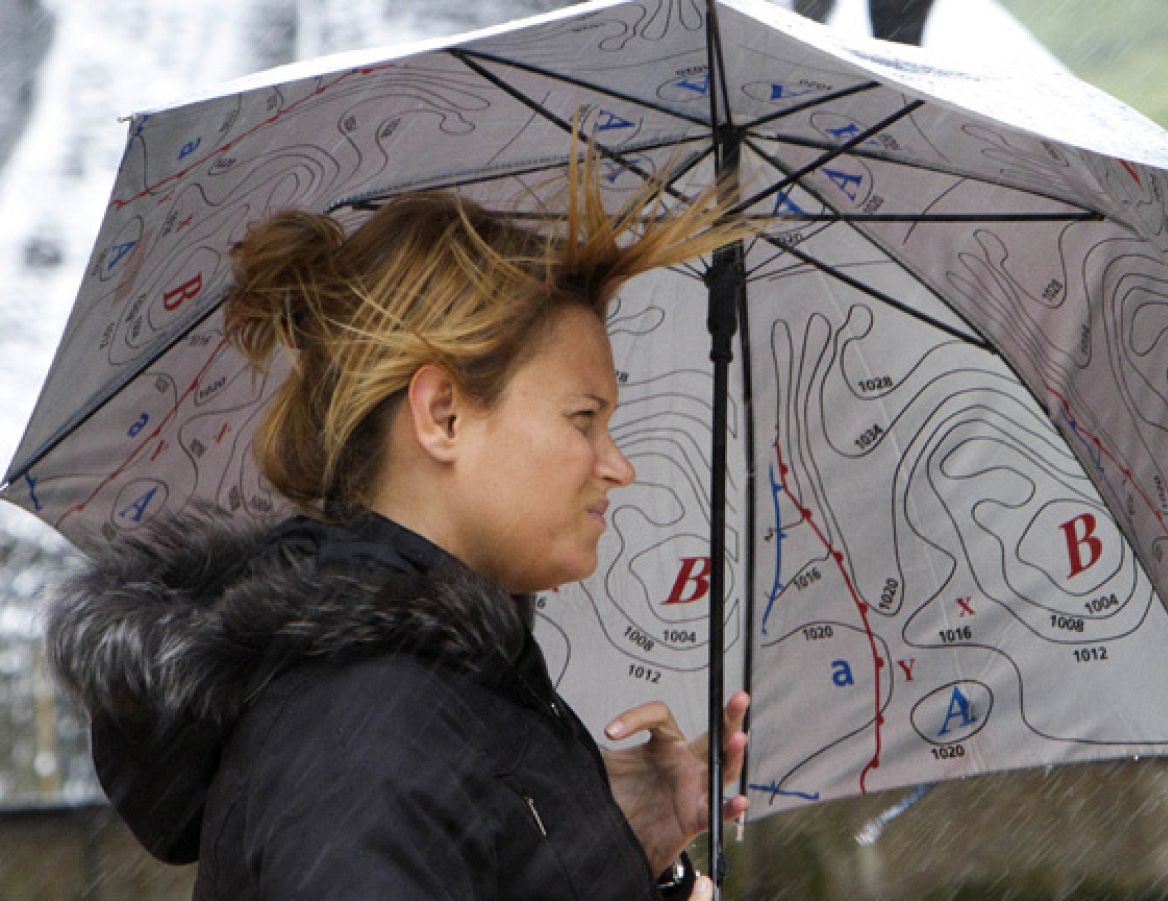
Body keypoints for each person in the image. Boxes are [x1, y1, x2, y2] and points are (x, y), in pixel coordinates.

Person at [44, 147, 753, 900]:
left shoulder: (441, 695)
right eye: (584, 418)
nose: (618, 465)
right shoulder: (361, 738)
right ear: (442, 414)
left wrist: (614, 845)